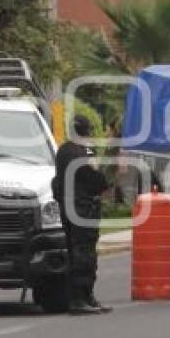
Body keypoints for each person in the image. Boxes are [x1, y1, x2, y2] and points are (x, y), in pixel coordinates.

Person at [53, 115, 111, 315]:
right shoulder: (84, 153)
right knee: (84, 253)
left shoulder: (62, 151)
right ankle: (82, 298)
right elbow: (97, 180)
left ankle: (82, 297)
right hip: (84, 209)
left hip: (67, 209)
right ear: (87, 132)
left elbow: (56, 182)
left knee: (74, 250)